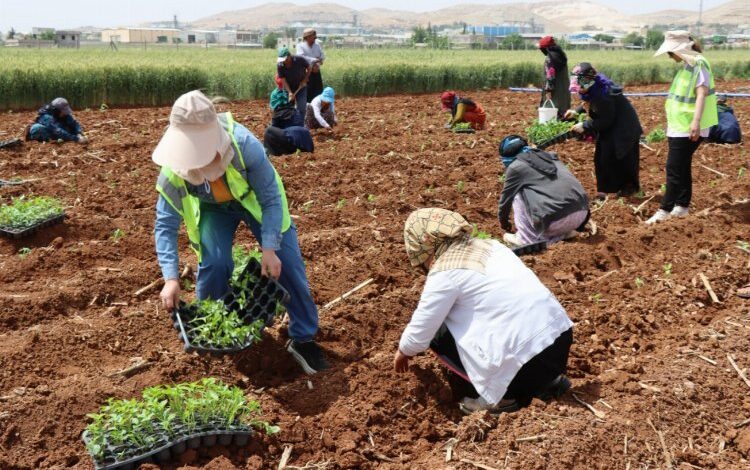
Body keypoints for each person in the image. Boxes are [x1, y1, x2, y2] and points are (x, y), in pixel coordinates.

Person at [153, 90, 328, 374]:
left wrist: (269, 249)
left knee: (288, 264)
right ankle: (215, 330)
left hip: (255, 202)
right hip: (214, 209)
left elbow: (270, 199)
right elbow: (165, 223)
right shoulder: (174, 168)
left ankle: (303, 338)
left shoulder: (244, 145)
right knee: (215, 263)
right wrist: (171, 278)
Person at [395, 208, 574, 414]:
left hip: (522, 366)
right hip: (559, 340)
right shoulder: (492, 246)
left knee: (438, 332)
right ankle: (549, 383)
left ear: (424, 245)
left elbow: (421, 330)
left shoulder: (444, 271)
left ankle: (501, 397)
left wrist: (403, 351)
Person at [646, 31, 719, 225]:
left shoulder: (698, 63)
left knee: (674, 167)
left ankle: (664, 210)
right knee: (682, 165)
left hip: (689, 125)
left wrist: (695, 122)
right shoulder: (687, 65)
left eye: (671, 51)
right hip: (679, 124)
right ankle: (682, 206)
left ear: (680, 49)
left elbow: (701, 94)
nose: (670, 56)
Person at [565, 62, 643, 199]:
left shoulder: (604, 94)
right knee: (603, 157)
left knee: (622, 158)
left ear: (588, 81)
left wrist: (585, 126)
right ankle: (609, 189)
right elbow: (589, 104)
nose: (579, 90)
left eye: (580, 87)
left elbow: (606, 120)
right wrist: (575, 111)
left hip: (624, 129)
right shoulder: (593, 89)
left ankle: (629, 189)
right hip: (612, 127)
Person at [497, 135, 590, 247]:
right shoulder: (550, 157)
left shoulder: (516, 167)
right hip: (581, 216)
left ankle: (526, 239)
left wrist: (505, 224)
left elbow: (505, 201)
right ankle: (564, 234)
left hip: (554, 223)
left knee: (518, 194)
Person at [538, 36, 570, 118]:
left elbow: (550, 75)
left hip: (554, 91)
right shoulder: (561, 56)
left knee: (551, 110)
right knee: (563, 110)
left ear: (546, 48)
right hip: (564, 88)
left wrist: (549, 90)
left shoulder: (550, 58)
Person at [277, 46, 311, 118]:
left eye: (285, 59)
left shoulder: (299, 59)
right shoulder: (280, 65)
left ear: (289, 56)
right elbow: (283, 80)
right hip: (288, 87)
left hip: (301, 87)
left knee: (301, 108)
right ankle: (289, 124)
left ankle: (300, 124)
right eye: (282, 60)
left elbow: (309, 67)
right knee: (287, 107)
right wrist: (289, 92)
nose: (283, 61)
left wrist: (305, 80)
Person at [296, 28, 325, 100]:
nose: (315, 38)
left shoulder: (317, 45)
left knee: (319, 92)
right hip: (306, 73)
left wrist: (318, 61)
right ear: (307, 37)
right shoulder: (300, 46)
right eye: (313, 36)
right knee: (308, 92)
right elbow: (301, 57)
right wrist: (314, 60)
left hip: (317, 72)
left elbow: (322, 56)